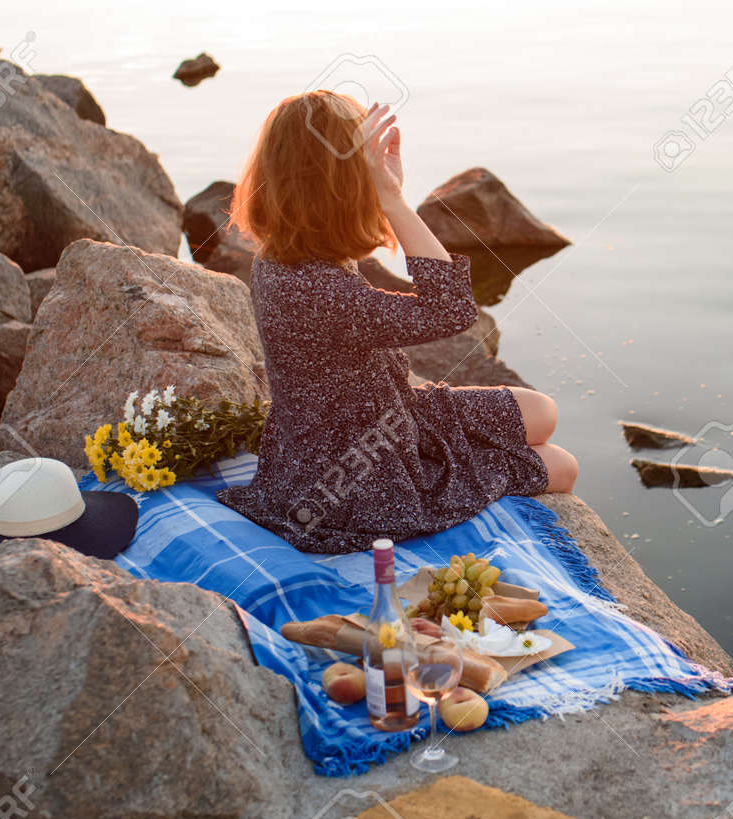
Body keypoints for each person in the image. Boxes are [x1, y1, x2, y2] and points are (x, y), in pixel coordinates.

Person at [215, 91, 577, 553]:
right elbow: (451, 310)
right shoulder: (318, 290)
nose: (374, 174)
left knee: (542, 412)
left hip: (369, 421)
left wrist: (386, 192)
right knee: (561, 465)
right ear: (338, 184)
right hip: (357, 476)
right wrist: (393, 201)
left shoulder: (285, 256)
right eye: (362, 164)